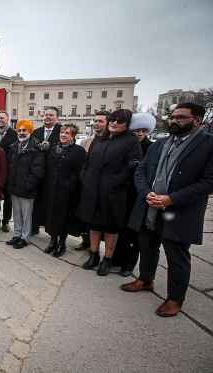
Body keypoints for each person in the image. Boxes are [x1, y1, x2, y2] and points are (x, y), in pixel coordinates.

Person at [121, 103, 213, 317]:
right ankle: (145, 279)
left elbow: (209, 181)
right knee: (147, 245)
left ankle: (175, 299)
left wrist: (171, 199)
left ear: (196, 120)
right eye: (172, 117)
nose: (173, 120)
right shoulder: (160, 143)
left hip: (179, 211)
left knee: (177, 255)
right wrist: (146, 193)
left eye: (180, 117)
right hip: (151, 206)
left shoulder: (208, 145)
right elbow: (141, 172)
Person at [76, 109, 142, 276]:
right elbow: (87, 162)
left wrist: (115, 183)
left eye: (119, 121)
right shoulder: (100, 139)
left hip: (114, 194)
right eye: (112, 120)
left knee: (110, 227)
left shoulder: (131, 141)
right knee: (93, 225)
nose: (114, 123)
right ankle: (93, 255)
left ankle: (108, 259)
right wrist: (85, 177)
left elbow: (132, 168)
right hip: (92, 190)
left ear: (127, 125)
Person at [112, 112, 156, 276]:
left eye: (144, 131)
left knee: (134, 232)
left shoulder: (152, 147)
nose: (140, 133)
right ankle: (115, 259)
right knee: (120, 229)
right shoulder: (124, 144)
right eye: (137, 130)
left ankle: (128, 265)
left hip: (139, 194)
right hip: (122, 192)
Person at [42, 124, 86, 257]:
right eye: (62, 132)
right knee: (51, 216)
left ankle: (62, 243)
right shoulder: (54, 148)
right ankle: (53, 240)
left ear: (73, 136)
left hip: (67, 192)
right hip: (52, 190)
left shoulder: (78, 151)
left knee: (63, 218)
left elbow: (80, 172)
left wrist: (69, 185)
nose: (63, 135)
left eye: (67, 133)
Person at [5, 119, 44, 249]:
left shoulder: (36, 147)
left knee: (26, 215)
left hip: (27, 189)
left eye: (24, 130)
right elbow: (10, 167)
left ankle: (25, 237)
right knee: (16, 214)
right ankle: (16, 234)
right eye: (19, 130)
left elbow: (37, 171)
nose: (21, 133)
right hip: (15, 188)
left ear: (30, 131)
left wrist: (28, 185)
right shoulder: (14, 146)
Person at [74, 111, 110, 251]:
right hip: (87, 184)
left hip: (103, 187)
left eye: (100, 121)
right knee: (86, 216)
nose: (97, 124)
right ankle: (86, 241)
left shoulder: (110, 141)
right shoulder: (86, 141)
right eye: (95, 121)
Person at [31, 106, 63, 235]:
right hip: (38, 172)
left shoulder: (62, 131)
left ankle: (51, 230)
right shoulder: (36, 132)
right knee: (36, 201)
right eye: (46, 115)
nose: (47, 117)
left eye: (51, 115)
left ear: (57, 117)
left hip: (53, 173)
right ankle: (34, 226)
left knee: (50, 202)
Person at [0, 110, 18, 232]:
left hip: (9, 172)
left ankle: (5, 222)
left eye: (2, 118)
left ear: (7, 119)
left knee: (8, 199)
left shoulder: (14, 134)